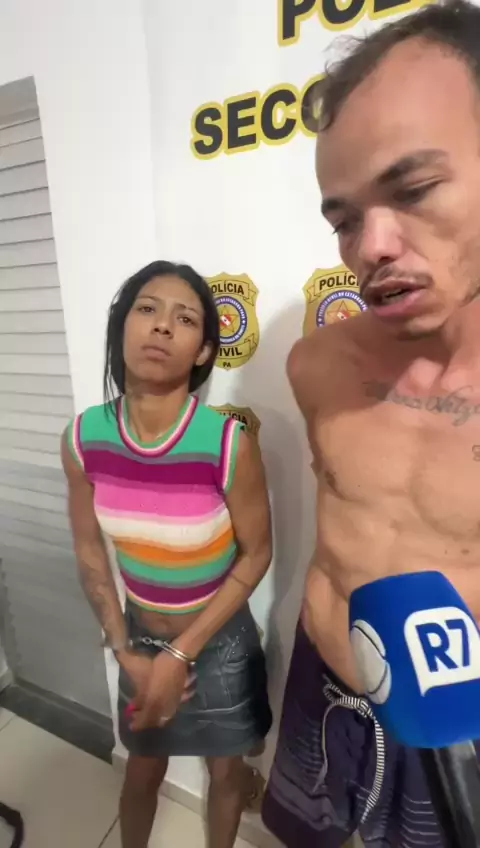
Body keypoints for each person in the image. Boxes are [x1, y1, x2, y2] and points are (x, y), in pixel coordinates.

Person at [262, 1, 480, 845]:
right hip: (323, 687)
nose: (371, 246)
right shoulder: (317, 365)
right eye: (345, 219)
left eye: (413, 189)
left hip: (454, 727)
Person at [61, 260, 272, 848]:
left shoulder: (227, 443)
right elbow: (89, 550)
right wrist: (122, 646)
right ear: (123, 326)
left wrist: (182, 652)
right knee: (141, 773)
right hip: (139, 643)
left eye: (184, 319)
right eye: (147, 309)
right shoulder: (83, 439)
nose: (161, 327)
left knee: (226, 774)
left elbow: (257, 555)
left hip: (220, 643)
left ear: (202, 351)